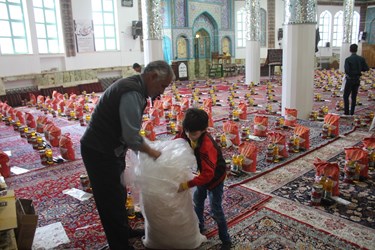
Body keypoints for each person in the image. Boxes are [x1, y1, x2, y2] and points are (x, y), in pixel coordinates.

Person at [80, 60, 175, 250]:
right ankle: (119, 245)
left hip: (110, 149)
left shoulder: (136, 87)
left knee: (119, 195)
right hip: (99, 151)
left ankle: (124, 232)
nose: (162, 92)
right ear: (152, 76)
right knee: (110, 201)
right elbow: (131, 136)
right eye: (163, 86)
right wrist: (152, 152)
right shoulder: (131, 92)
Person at [176, 108, 232, 249]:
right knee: (198, 201)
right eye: (187, 131)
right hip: (203, 175)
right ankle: (199, 227)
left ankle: (226, 240)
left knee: (215, 209)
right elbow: (179, 138)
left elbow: (208, 175)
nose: (189, 136)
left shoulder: (207, 147)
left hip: (215, 179)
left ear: (204, 130)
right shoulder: (188, 132)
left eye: (193, 133)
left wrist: (187, 184)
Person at [343, 43, 369, 116]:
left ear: (350, 50)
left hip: (350, 79)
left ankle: (346, 112)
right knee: (354, 96)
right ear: (357, 50)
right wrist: (359, 70)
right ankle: (352, 112)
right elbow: (366, 68)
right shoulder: (361, 59)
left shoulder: (348, 59)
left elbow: (347, 71)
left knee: (346, 96)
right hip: (357, 79)